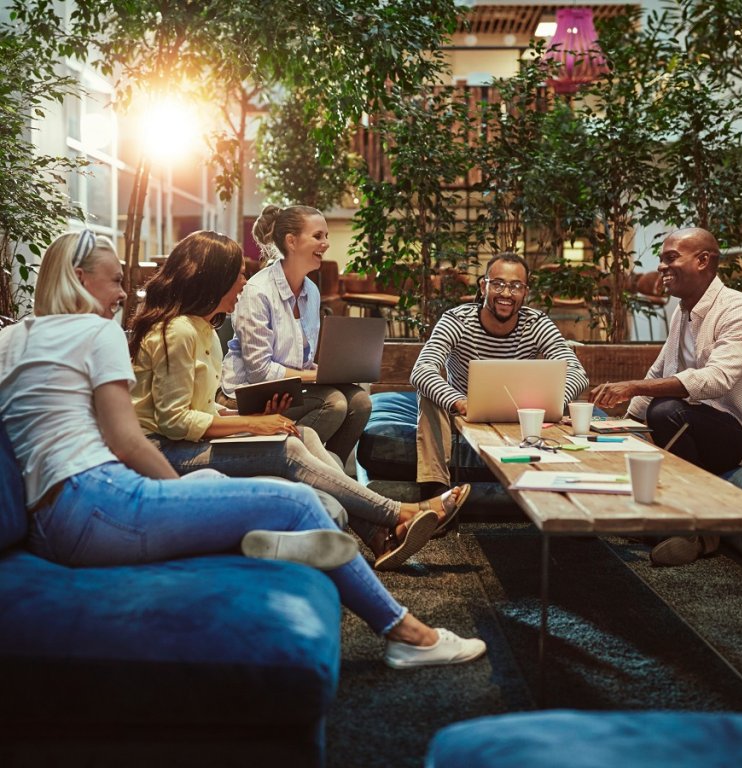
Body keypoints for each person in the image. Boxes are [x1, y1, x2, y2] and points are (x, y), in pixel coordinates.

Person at [0, 229, 486, 669]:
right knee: (293, 500)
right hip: (98, 502)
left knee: (211, 481)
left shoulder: (10, 339)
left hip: (51, 524)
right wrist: (176, 500)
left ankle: (256, 540)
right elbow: (125, 440)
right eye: (114, 281)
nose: (125, 293)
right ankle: (408, 633)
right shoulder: (97, 331)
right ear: (78, 278)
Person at [129, 230, 471, 571]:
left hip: (186, 442)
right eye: (238, 274)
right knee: (287, 449)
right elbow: (174, 423)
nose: (244, 282)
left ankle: (382, 537)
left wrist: (257, 418)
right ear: (213, 278)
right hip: (166, 452)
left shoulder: (203, 329)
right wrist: (251, 424)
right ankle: (400, 512)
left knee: (303, 435)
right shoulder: (177, 332)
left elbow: (201, 406)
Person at [590, 227, 742, 566]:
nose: (660, 267)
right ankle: (661, 518)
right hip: (700, 427)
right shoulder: (683, 311)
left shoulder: (741, 311)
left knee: (666, 412)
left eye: (671, 258)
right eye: (661, 260)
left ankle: (696, 531)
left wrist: (633, 388)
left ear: (702, 261)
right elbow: (661, 370)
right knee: (645, 420)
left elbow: (716, 381)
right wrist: (625, 423)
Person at [411, 252, 589, 498]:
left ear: (525, 292)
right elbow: (422, 369)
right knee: (428, 394)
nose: (506, 293)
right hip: (463, 414)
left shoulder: (537, 324)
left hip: (522, 414)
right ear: (483, 287)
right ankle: (434, 493)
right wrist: (460, 402)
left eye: (516, 286)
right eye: (498, 284)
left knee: (565, 397)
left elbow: (577, 372)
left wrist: (552, 403)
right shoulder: (456, 320)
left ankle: (562, 494)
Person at [219, 204, 368, 466]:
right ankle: (292, 464)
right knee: (333, 403)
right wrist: (319, 376)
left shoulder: (312, 292)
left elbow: (303, 361)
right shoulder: (257, 292)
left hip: (291, 387)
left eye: (326, 236)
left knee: (360, 401)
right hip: (247, 392)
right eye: (318, 236)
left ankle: (328, 468)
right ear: (292, 241)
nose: (326, 243)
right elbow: (260, 373)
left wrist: (337, 371)